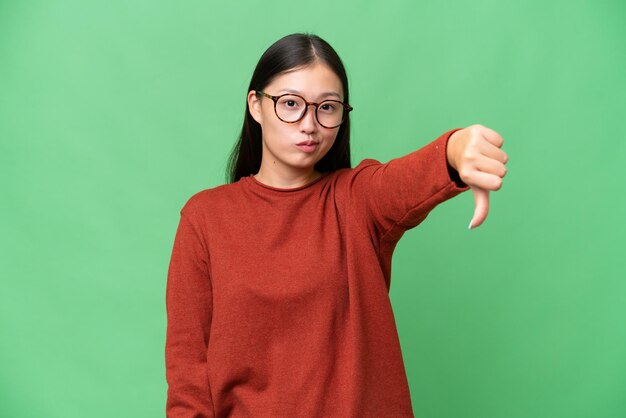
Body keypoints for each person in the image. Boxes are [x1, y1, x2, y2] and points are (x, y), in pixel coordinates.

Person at [165, 33, 508, 418]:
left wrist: (455, 149)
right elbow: (188, 374)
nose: (309, 124)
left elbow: (402, 182)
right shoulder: (205, 217)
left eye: (327, 108)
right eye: (290, 103)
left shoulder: (356, 200)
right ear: (256, 106)